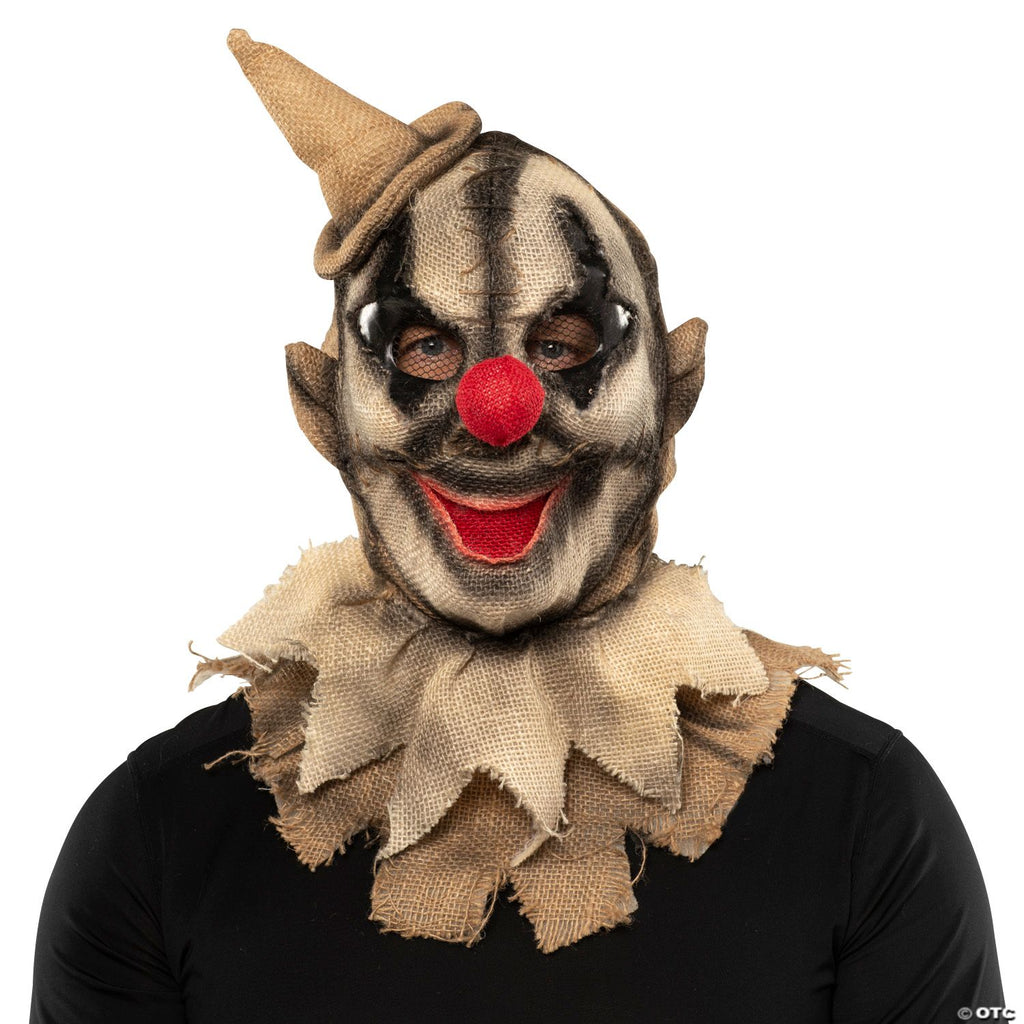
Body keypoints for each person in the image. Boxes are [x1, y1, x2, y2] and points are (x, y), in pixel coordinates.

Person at [30, 29, 1004, 1022]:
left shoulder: (866, 817)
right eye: (423, 347)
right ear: (324, 410)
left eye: (564, 344)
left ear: (671, 395)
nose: (497, 410)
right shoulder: (157, 834)